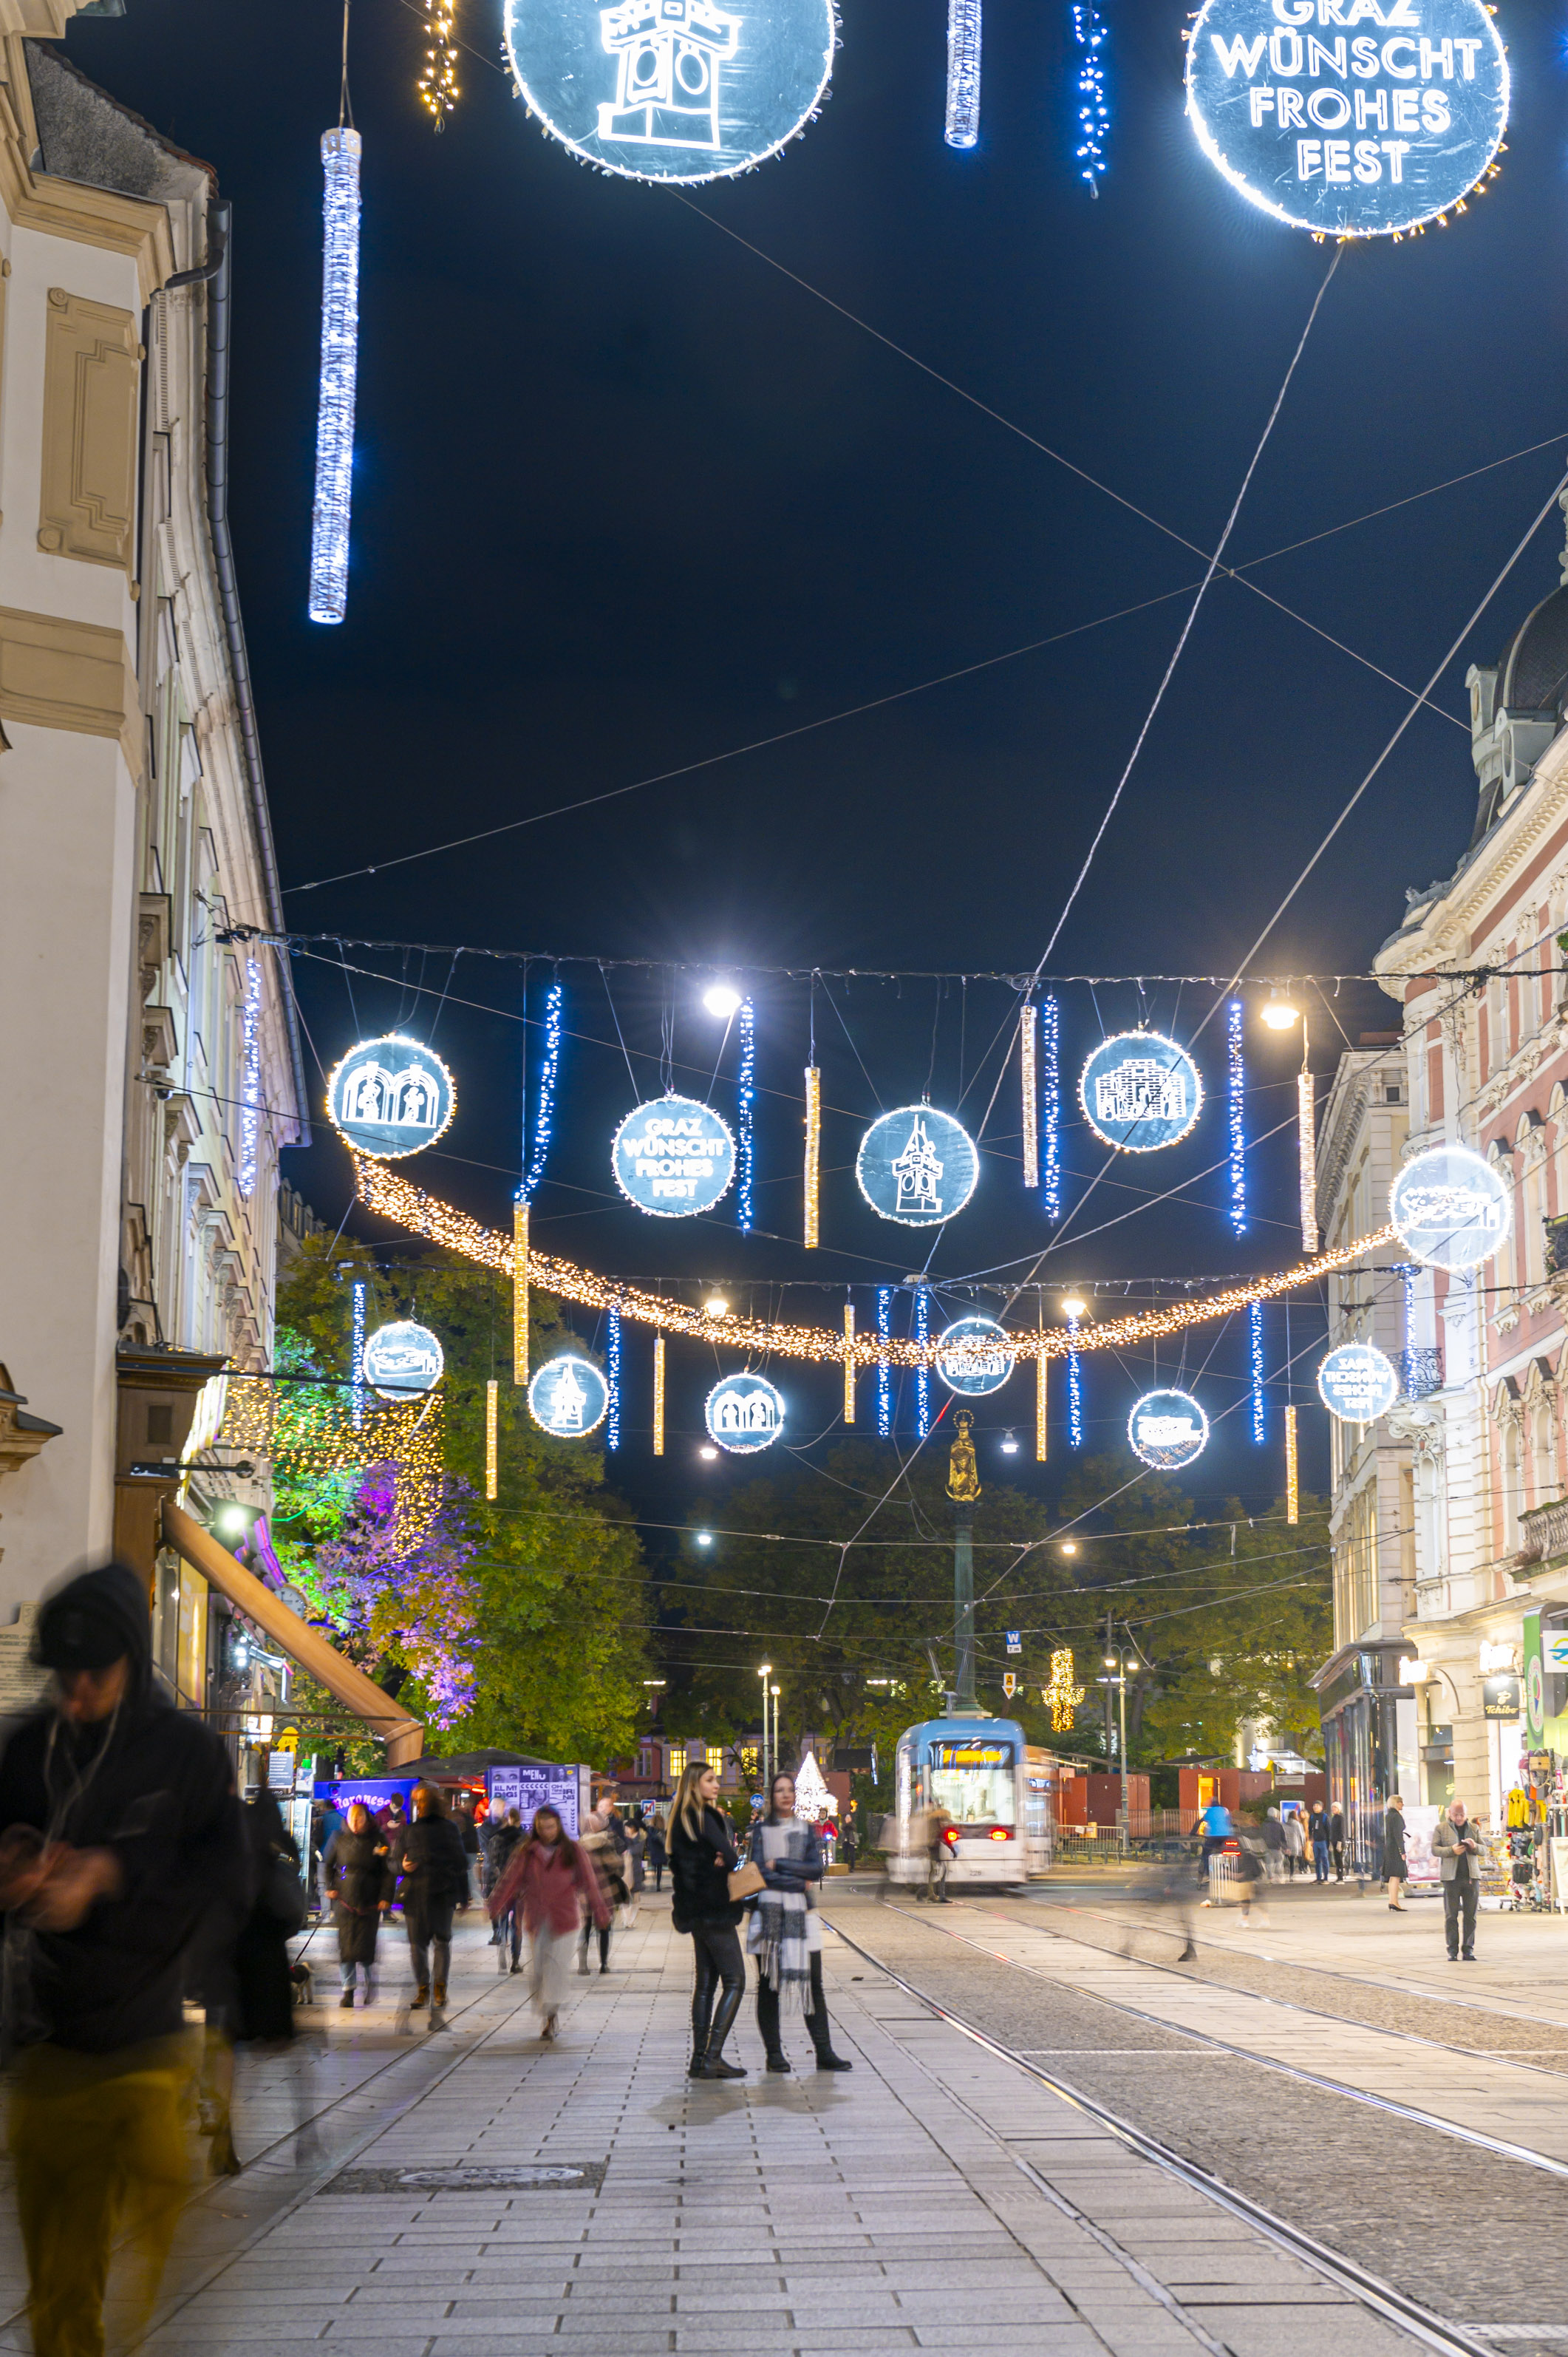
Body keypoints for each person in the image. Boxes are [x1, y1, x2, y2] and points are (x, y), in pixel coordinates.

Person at [0, 1560, 247, 2357]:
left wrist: (108, 1876)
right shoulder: (27, 1750)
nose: (75, 1694)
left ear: (132, 1664)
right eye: (63, 1678)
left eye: (93, 1676)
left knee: (157, 2227)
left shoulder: (185, 1754)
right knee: (61, 2271)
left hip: (146, 2039)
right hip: (46, 2047)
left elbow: (227, 1881)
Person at [746, 1772, 851, 2072]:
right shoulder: (760, 1832)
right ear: (771, 1797)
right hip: (768, 1917)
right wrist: (796, 1879)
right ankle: (774, 2055)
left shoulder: (806, 1831)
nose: (785, 1795)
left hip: (803, 1916)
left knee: (814, 1984)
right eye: (779, 1790)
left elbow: (816, 1869)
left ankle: (824, 2052)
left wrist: (779, 1864)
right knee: (769, 1985)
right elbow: (759, 1873)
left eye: (789, 1790)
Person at [489, 1804, 605, 2039]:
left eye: (551, 1827)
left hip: (565, 1918)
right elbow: (510, 1878)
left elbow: (590, 1882)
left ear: (558, 1826)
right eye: (542, 1828)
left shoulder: (573, 1850)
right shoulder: (527, 1852)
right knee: (540, 1969)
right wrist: (495, 1903)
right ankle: (548, 2011)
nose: (547, 1832)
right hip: (537, 1918)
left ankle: (551, 2016)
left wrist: (601, 1910)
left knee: (557, 1967)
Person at [669, 1761, 747, 2078]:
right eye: (710, 1780)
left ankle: (699, 2059)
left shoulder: (680, 1821)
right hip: (715, 1909)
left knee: (705, 1986)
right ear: (694, 1785)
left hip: (694, 1912)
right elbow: (730, 1856)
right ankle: (712, 2055)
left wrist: (716, 1859)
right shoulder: (705, 1817)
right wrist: (722, 1859)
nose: (716, 1785)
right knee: (735, 1981)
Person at [233, 1787, 301, 2041]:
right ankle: (273, 2027)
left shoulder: (243, 1839)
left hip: (244, 1928)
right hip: (270, 1929)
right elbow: (296, 1862)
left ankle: (247, 2027)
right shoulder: (277, 1841)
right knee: (270, 1982)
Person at [398, 1783, 470, 2010]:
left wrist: (464, 1896)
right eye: (416, 1802)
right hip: (423, 1895)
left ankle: (435, 1988)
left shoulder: (446, 1828)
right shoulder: (411, 1830)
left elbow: (460, 1862)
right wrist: (402, 1866)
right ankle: (427, 1988)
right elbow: (393, 1860)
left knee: (436, 1943)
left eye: (420, 1801)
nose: (417, 1806)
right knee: (426, 1944)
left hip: (438, 1893)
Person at [326, 1802, 394, 2005]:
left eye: (360, 1819)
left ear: (367, 1819)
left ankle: (370, 1985)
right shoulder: (338, 1838)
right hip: (345, 1900)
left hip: (370, 1901)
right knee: (346, 1948)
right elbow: (328, 1865)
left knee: (365, 1948)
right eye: (352, 1819)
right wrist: (330, 1887)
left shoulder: (379, 1839)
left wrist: (385, 1898)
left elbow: (387, 1871)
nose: (355, 1824)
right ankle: (348, 1990)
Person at [576, 1808, 629, 1975]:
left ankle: (582, 1965)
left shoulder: (580, 1845)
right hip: (605, 1891)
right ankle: (603, 1964)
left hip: (585, 1892)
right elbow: (616, 1867)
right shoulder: (607, 1842)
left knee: (585, 1928)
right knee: (604, 1928)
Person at [1436, 1798, 1482, 1959]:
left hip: (1471, 1877)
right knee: (1451, 1916)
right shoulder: (1441, 1828)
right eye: (1456, 1814)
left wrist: (1474, 1846)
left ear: (1466, 1814)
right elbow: (1435, 1849)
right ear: (1450, 1813)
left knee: (1470, 1916)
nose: (1459, 1818)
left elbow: (1484, 1850)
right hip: (1451, 1878)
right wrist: (1451, 1850)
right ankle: (1452, 1950)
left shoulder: (1474, 1828)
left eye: (1462, 1815)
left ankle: (1468, 1949)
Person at [488, 1806, 526, 1971]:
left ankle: (502, 1950)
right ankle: (515, 1961)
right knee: (517, 1924)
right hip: (520, 1885)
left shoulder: (496, 1838)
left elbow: (492, 1862)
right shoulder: (525, 1838)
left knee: (503, 1920)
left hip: (502, 1884)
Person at [1383, 1794, 1409, 1911]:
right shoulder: (1397, 1817)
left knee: (1393, 1876)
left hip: (1389, 1848)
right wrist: (1402, 1851)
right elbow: (1398, 1836)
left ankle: (1392, 1901)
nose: (1402, 1804)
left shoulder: (1388, 1816)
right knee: (1396, 1876)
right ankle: (1395, 1902)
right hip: (1395, 1848)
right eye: (1401, 1802)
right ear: (1396, 1803)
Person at [925, 1804, 954, 1904]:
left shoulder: (931, 1825)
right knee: (942, 1871)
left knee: (934, 1872)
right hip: (934, 1850)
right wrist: (952, 1849)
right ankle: (939, 1895)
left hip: (933, 1849)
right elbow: (943, 1838)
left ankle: (931, 1894)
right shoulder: (936, 1826)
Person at [1307, 1799, 1331, 1884]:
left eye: (1317, 1806)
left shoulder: (1325, 1816)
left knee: (1324, 1859)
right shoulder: (1312, 1817)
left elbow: (1328, 1830)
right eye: (1314, 1806)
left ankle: (1326, 1878)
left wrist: (1329, 1842)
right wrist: (1311, 1838)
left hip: (1323, 1841)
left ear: (1321, 1807)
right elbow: (1310, 1828)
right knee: (1317, 1860)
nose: (1315, 1807)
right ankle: (1318, 1878)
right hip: (1316, 1841)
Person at [1261, 1807, 1285, 1882]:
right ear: (1276, 1815)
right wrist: (1285, 1846)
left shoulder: (1264, 1824)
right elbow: (1283, 1836)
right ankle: (1280, 1878)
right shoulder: (1279, 1824)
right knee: (1279, 1863)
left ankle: (1270, 1878)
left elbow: (1262, 1835)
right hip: (1277, 1847)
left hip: (1267, 1847)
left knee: (1269, 1864)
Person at [647, 1812, 667, 1891]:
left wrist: (649, 1848)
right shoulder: (661, 1831)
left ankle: (655, 1879)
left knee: (654, 1866)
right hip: (661, 1851)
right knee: (660, 1868)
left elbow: (649, 1840)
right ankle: (658, 1883)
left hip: (653, 1851)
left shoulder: (650, 1830)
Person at [1329, 1803, 1346, 1883]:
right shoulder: (1334, 1818)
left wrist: (1340, 1842)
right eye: (1332, 1807)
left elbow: (1342, 1831)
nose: (1333, 1809)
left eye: (1335, 1807)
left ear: (1339, 1808)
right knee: (1336, 1860)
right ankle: (1338, 1877)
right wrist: (1331, 1842)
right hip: (1334, 1841)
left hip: (1339, 1842)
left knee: (1339, 1860)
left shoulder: (1341, 1818)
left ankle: (1341, 1877)